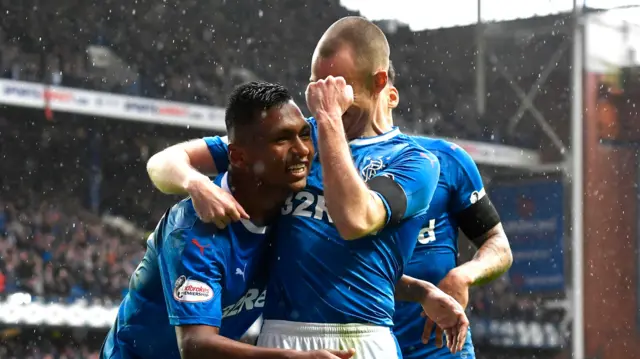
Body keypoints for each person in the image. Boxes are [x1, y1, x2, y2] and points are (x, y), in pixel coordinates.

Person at [147, 17, 469, 359]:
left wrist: (421, 292)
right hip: (282, 337)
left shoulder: (416, 163)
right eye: (317, 83)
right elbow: (163, 163)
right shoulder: (296, 139)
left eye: (337, 85)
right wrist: (194, 181)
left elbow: (355, 221)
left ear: (378, 82)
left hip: (365, 339)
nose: (322, 96)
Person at [100, 81, 356, 359]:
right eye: (282, 139)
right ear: (238, 157)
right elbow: (196, 346)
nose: (303, 150)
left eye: (304, 135)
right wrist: (295, 358)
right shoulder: (194, 234)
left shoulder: (290, 206)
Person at [384, 64, 513, 359]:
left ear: (390, 94)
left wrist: (463, 276)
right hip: (360, 342)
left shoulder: (446, 159)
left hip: (439, 348)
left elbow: (499, 245)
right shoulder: (326, 167)